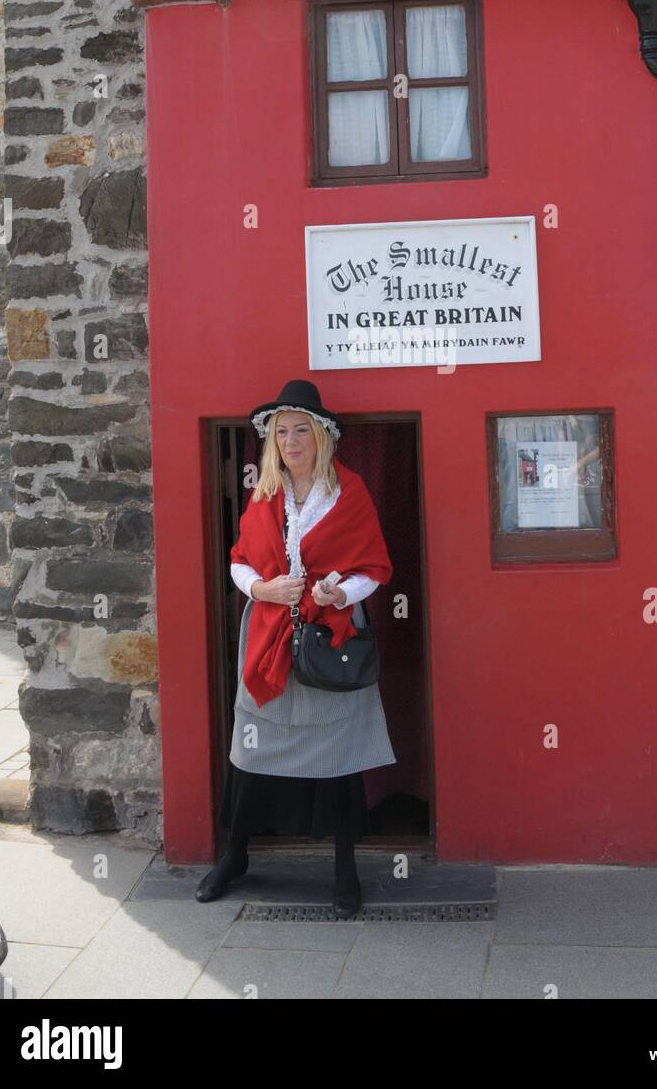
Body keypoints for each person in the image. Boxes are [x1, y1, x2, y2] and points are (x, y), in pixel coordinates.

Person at [195, 379, 396, 915]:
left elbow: (373, 568)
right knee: (251, 749)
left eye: (300, 430)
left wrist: (339, 592)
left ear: (321, 436)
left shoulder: (347, 492)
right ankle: (234, 855)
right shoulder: (265, 494)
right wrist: (261, 588)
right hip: (269, 640)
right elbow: (239, 559)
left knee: (340, 753)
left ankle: (345, 869)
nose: (290, 441)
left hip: (329, 639)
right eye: (281, 432)